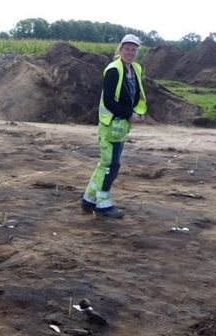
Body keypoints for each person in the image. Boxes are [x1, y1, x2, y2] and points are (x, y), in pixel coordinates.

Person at [81, 33, 148, 219]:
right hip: (110, 123)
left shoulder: (135, 69)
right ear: (120, 49)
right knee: (112, 165)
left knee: (105, 163)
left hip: (121, 124)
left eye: (134, 49)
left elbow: (135, 93)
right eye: (127, 49)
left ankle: (88, 199)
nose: (130, 52)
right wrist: (129, 114)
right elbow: (109, 101)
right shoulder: (113, 70)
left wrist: (137, 113)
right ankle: (103, 204)